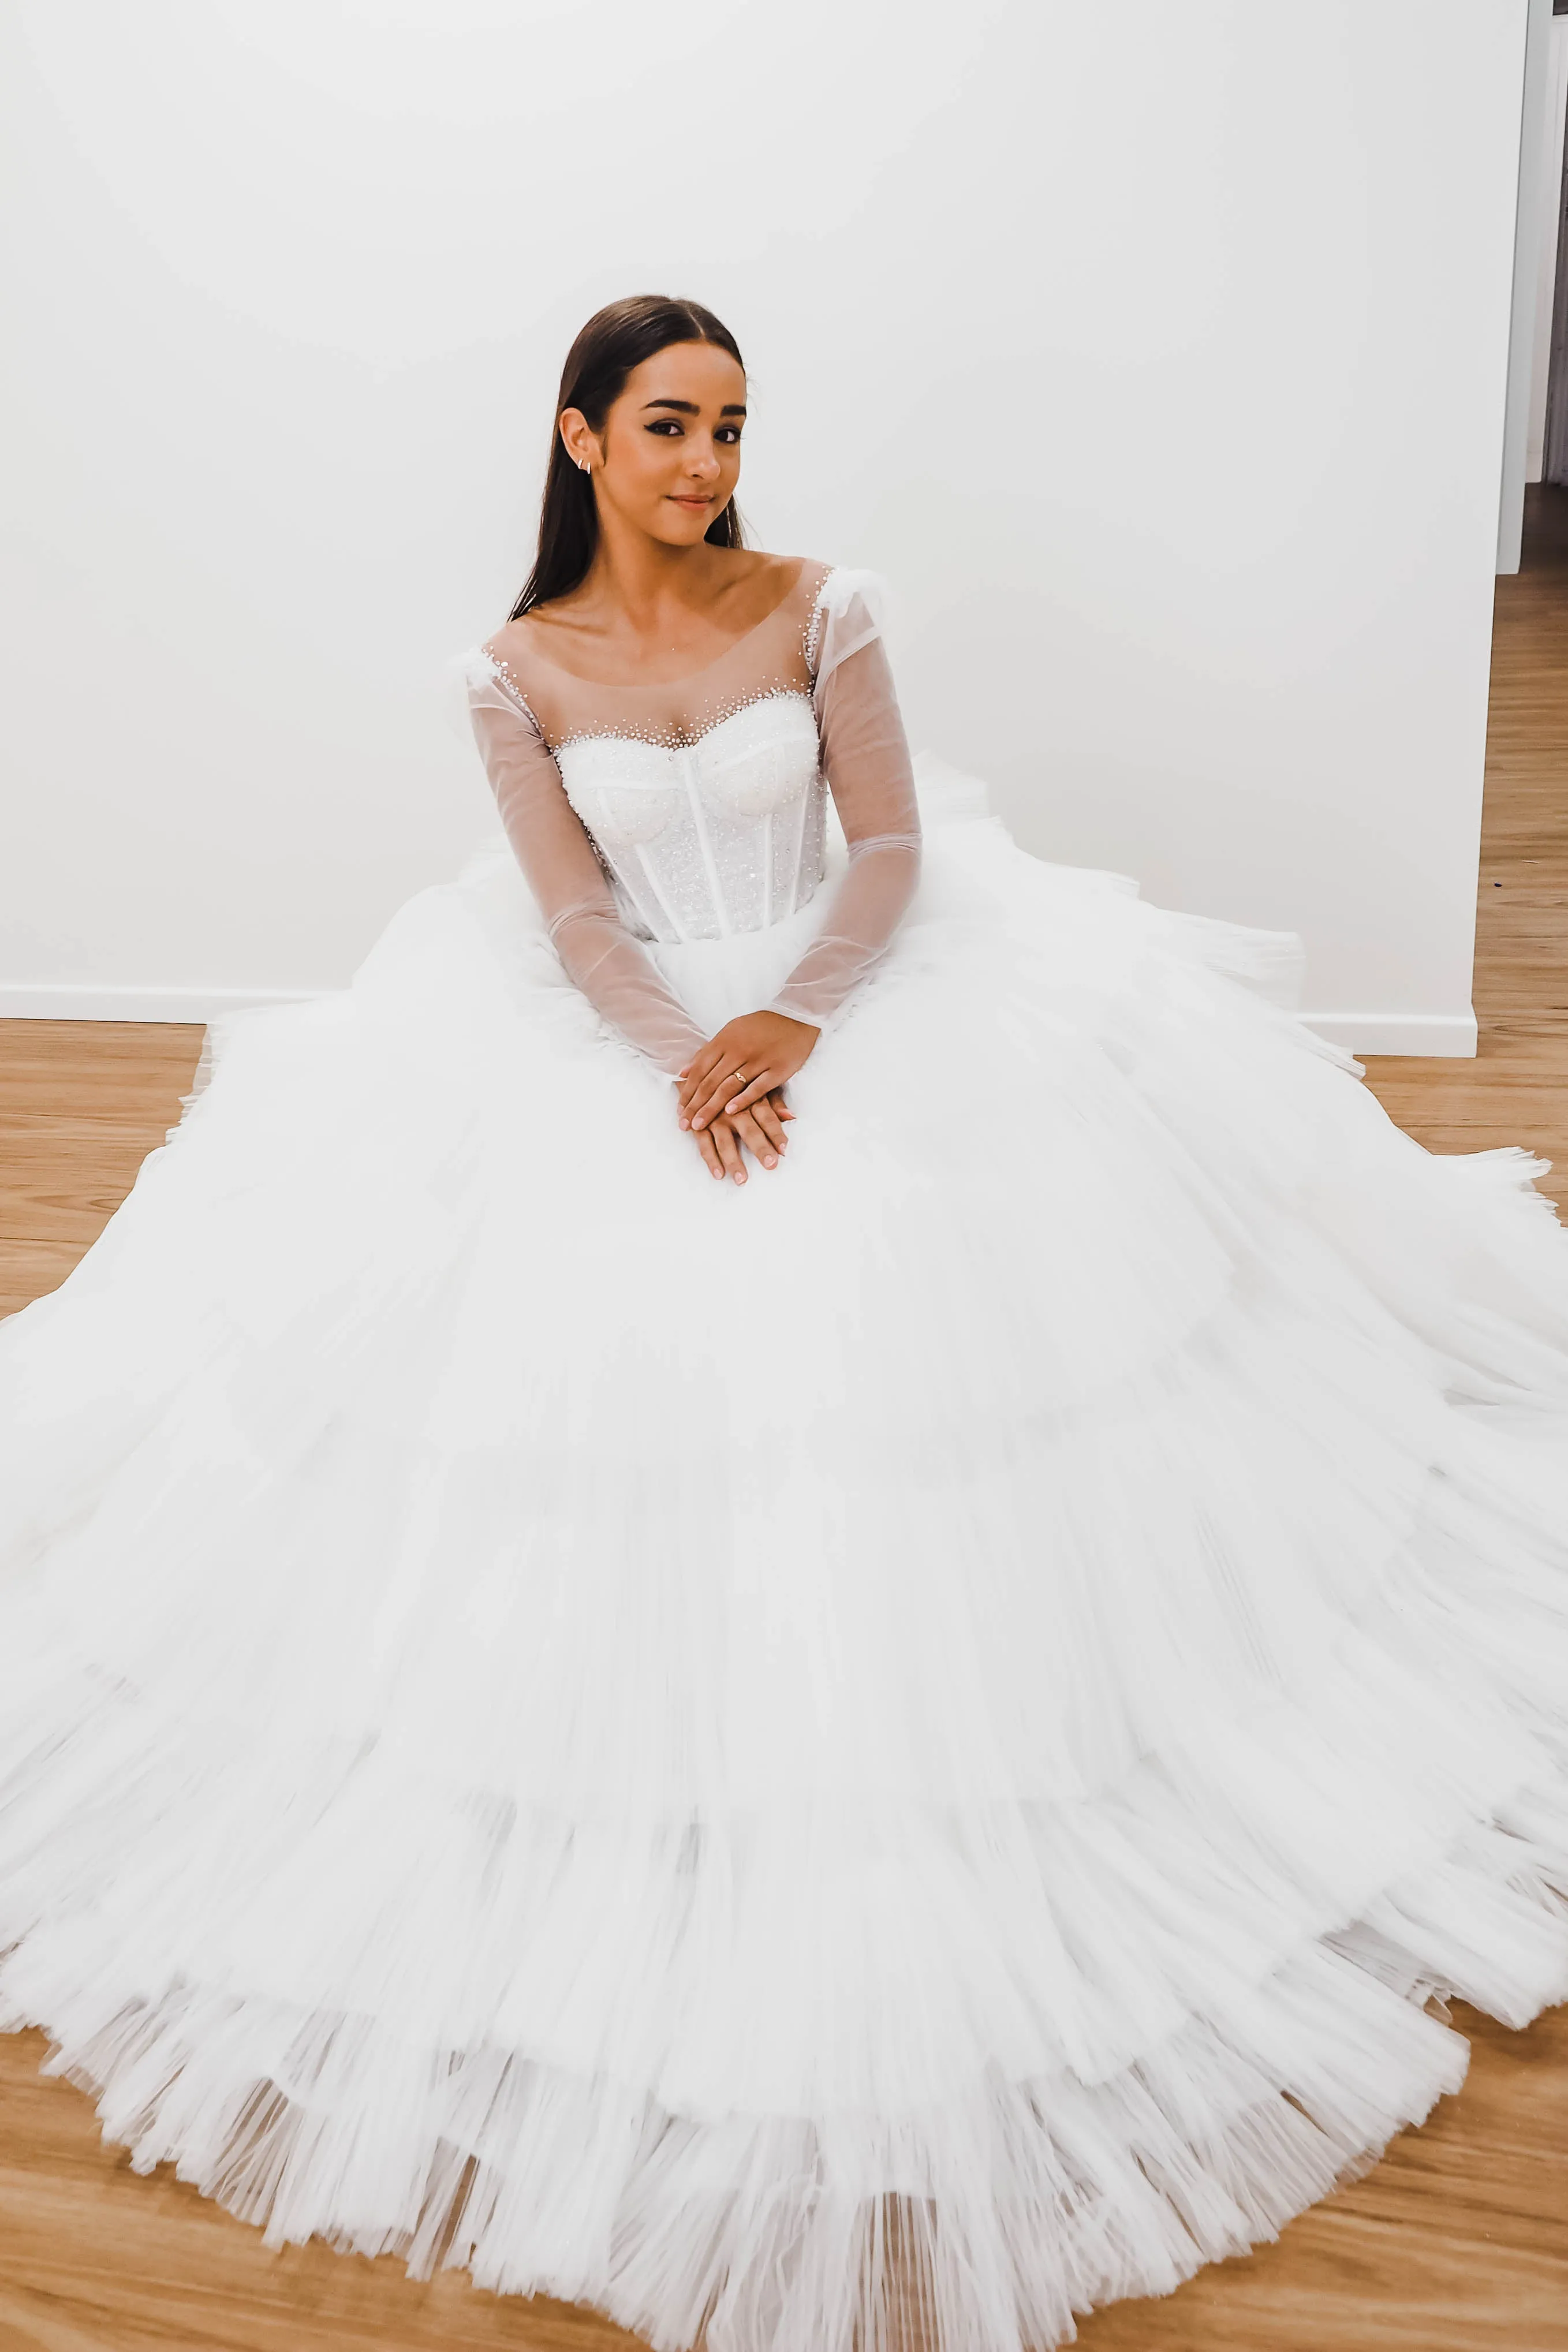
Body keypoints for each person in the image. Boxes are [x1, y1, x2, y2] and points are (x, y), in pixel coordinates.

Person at [1, 292, 1566, 2352]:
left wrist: (789, 1018)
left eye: (730, 426)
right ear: (577, 441)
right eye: (665, 425)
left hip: (850, 987)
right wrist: (690, 1057)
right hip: (646, 1033)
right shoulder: (511, 670)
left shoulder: (821, 604)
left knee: (950, 1331)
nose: (705, 463)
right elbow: (570, 915)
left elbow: (897, 845)